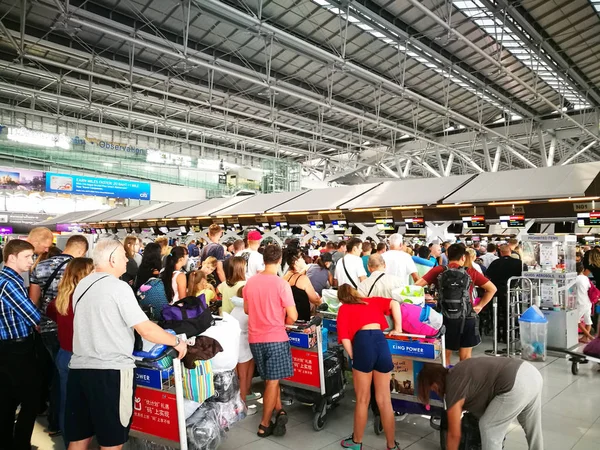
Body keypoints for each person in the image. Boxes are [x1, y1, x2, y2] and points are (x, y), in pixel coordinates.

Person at [65, 239, 188, 450]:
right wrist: (177, 342)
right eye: (124, 256)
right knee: (112, 439)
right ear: (112, 259)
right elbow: (146, 329)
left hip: (79, 369)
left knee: (79, 436)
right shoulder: (118, 287)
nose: (127, 260)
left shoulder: (82, 285)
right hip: (111, 373)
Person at [29, 234, 90, 437]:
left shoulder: (41, 266)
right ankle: (68, 424)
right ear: (82, 250)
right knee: (67, 378)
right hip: (71, 329)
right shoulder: (79, 268)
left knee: (55, 373)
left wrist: (38, 322)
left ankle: (55, 422)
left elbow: (33, 299)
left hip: (46, 326)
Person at [417, 358, 543, 450]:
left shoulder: (453, 386)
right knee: (533, 428)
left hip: (515, 382)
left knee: (488, 427)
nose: (434, 391)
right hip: (531, 372)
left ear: (435, 381)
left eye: (431, 388)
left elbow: (454, 434)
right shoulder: (458, 371)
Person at [336, 284, 402, 450]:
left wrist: (353, 356)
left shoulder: (344, 308)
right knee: (385, 400)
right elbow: (394, 303)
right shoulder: (370, 301)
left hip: (363, 344)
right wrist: (398, 328)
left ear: (341, 298)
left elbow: (344, 338)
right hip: (381, 342)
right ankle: (391, 445)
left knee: (363, 399)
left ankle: (357, 442)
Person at [243, 244, 298, 438]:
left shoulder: (250, 283)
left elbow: (247, 310)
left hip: (255, 338)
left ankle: (279, 409)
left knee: (269, 380)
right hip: (275, 337)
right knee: (273, 382)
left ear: (263, 259)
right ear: (280, 260)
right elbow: (293, 314)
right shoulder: (281, 283)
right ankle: (264, 424)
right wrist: (282, 322)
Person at [415, 244, 497, 363]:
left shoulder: (439, 270)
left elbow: (417, 286)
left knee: (445, 356)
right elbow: (492, 289)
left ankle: (446, 378)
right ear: (463, 257)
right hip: (467, 317)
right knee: (465, 358)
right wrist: (479, 306)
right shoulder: (470, 272)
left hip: (444, 317)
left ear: (447, 255)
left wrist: (427, 296)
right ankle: (462, 380)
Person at [46, 257, 94, 449]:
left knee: (68, 403)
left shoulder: (62, 298)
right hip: (83, 357)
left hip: (64, 354)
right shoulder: (87, 299)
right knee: (87, 404)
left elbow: (51, 313)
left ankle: (69, 442)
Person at [0, 239, 41, 450]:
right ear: (11, 257)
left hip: (8, 348)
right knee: (31, 399)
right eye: (26, 257)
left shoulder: (7, 279)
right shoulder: (9, 282)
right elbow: (32, 315)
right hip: (16, 349)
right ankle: (20, 444)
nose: (31, 261)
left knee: (8, 399)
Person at [229, 289, 259, 416]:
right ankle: (242, 407)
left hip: (234, 343)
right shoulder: (248, 310)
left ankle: (244, 395)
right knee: (243, 375)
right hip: (243, 345)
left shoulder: (235, 308)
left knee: (239, 375)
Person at [486, 245, 523, 341]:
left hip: (496, 292)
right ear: (510, 251)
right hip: (510, 292)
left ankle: (497, 336)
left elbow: (487, 276)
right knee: (508, 313)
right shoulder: (518, 263)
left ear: (500, 252)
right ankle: (507, 336)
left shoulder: (495, 263)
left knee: (496, 314)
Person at [283, 249, 321, 321]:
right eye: (302, 258)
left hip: (288, 317)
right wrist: (322, 303)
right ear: (296, 262)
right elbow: (315, 299)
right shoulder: (302, 279)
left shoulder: (285, 277)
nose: (304, 260)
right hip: (301, 319)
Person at [575, 263, 595, 342]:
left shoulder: (575, 279)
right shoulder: (586, 278)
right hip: (588, 301)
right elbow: (589, 288)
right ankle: (585, 338)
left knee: (575, 320)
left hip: (580, 302)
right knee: (588, 320)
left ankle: (589, 337)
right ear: (583, 269)